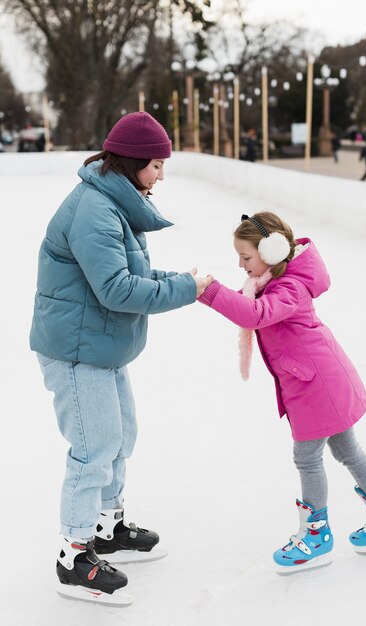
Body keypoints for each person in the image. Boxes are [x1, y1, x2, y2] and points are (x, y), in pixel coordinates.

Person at [30, 111, 213, 605]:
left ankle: (107, 528)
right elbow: (115, 289)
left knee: (120, 436)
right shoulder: (94, 209)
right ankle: (73, 553)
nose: (161, 175)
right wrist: (185, 289)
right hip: (75, 350)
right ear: (131, 163)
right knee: (95, 446)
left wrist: (180, 281)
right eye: (155, 165)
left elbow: (129, 272)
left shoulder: (112, 202)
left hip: (98, 346)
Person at [198, 211, 366, 574]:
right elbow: (245, 306)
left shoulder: (288, 288)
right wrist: (203, 292)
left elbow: (254, 315)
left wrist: (210, 290)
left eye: (246, 257)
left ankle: (316, 534)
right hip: (317, 378)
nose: (240, 264)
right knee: (348, 450)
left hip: (317, 384)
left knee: (308, 457)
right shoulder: (272, 281)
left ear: (272, 250)